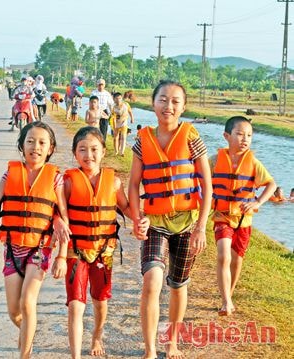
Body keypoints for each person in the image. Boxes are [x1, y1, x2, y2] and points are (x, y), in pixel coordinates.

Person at [128, 80, 212, 359]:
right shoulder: (143, 139)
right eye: (163, 99)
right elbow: (133, 185)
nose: (169, 106)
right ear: (153, 103)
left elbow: (207, 185)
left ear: (184, 107)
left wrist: (201, 227)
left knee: (178, 283)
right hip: (155, 222)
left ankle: (172, 342)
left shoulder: (191, 136)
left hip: (187, 223)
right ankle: (150, 350)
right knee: (152, 281)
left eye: (176, 101)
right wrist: (137, 218)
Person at [0, 121, 71, 358]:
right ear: (21, 145)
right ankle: (28, 330)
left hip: (40, 249)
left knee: (28, 302)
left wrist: (62, 256)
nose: (35, 147)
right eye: (30, 141)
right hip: (13, 249)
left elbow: (63, 216)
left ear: (50, 149)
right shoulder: (10, 174)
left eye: (42, 143)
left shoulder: (55, 178)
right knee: (14, 312)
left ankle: (25, 354)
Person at [63, 126, 149, 358]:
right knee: (75, 305)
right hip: (76, 250)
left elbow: (127, 209)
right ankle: (75, 355)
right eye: (82, 150)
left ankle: (97, 335)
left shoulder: (114, 183)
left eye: (94, 149)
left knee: (100, 300)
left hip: (103, 252)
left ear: (103, 152)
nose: (88, 155)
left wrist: (142, 219)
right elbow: (58, 212)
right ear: (75, 154)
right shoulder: (68, 182)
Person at [210, 116, 276, 317]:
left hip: (243, 220)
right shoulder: (213, 161)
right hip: (222, 217)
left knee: (237, 260)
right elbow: (199, 179)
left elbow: (271, 185)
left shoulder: (254, 163)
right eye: (239, 134)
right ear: (226, 136)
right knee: (224, 255)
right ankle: (225, 302)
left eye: (249, 135)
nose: (244, 139)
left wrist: (257, 202)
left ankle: (229, 294)